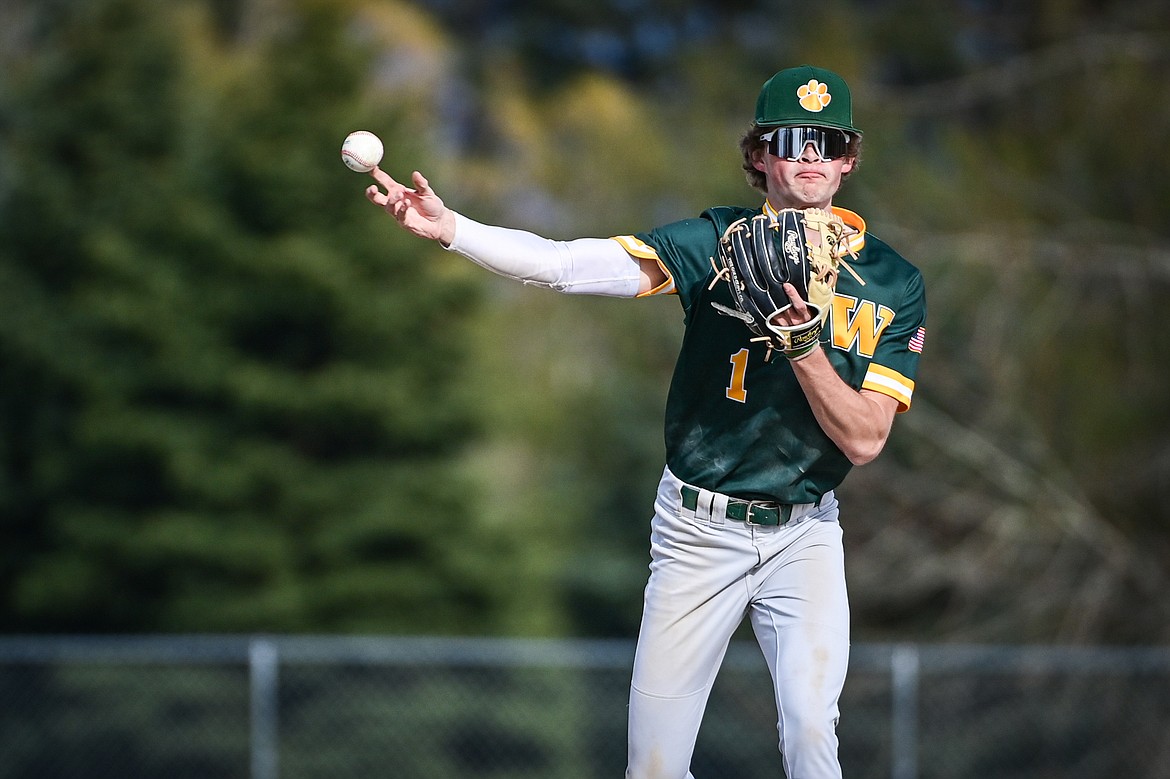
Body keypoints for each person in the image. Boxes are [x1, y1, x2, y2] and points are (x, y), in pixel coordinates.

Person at [365, 64, 926, 779]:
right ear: (758, 155)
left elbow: (865, 438)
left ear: (849, 159)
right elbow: (569, 265)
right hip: (699, 527)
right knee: (654, 769)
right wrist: (453, 229)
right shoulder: (712, 243)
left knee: (813, 735)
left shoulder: (892, 281)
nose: (808, 154)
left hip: (805, 533)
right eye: (790, 138)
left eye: (827, 140)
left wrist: (804, 346)